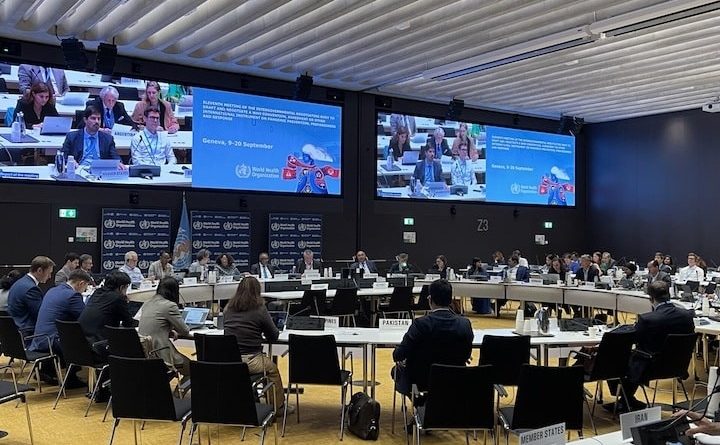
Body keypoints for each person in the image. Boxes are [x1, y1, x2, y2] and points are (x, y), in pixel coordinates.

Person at [607, 281, 694, 412]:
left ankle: (624, 399)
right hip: (678, 365)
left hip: (651, 367)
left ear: (651, 299)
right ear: (669, 295)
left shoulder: (648, 319)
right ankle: (626, 399)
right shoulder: (687, 316)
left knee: (615, 357)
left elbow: (633, 339)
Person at [392, 279, 473, 397]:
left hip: (422, 381)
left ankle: (420, 403)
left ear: (430, 299)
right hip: (455, 380)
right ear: (450, 300)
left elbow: (399, 355)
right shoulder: (464, 324)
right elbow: (466, 355)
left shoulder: (420, 324)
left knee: (396, 371)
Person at [223, 276, 289, 412]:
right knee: (272, 369)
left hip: (229, 359)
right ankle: (278, 408)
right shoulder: (259, 309)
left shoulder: (228, 308)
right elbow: (274, 335)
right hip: (251, 359)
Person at [29, 269, 90, 388]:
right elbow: (84, 318)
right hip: (52, 340)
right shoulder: (73, 295)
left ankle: (47, 370)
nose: (85, 290)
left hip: (39, 337)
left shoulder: (52, 290)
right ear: (81, 283)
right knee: (81, 341)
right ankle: (71, 378)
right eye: (85, 287)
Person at [138, 277, 191, 379]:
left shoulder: (147, 303)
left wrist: (168, 330)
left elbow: (155, 325)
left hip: (145, 354)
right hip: (161, 354)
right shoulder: (169, 305)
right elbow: (185, 330)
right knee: (194, 368)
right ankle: (179, 390)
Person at [78, 271, 137, 346]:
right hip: (99, 344)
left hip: (82, 340)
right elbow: (128, 323)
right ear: (122, 287)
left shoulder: (97, 292)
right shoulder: (118, 298)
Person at [8, 256, 55, 335]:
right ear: (39, 270)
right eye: (49, 273)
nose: (50, 277)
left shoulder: (19, 283)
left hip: (15, 331)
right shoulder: (31, 289)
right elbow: (40, 315)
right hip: (28, 332)